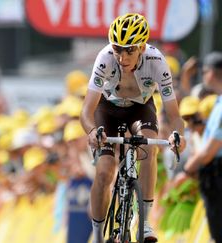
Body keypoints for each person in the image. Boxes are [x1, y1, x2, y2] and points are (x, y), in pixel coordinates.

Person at [80, 13, 186, 243]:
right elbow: (87, 111)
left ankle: (145, 222)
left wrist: (179, 134)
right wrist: (91, 132)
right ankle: (98, 235)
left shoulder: (157, 61)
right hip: (106, 109)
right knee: (105, 170)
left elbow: (174, 114)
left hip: (140, 109)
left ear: (142, 47)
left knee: (150, 149)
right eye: (118, 49)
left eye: (129, 50)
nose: (122, 57)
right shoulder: (105, 58)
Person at [176, 52, 222, 242]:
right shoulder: (218, 102)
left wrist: (186, 171)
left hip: (218, 174)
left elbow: (208, 151)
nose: (203, 75)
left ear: (211, 73)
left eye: (204, 72)